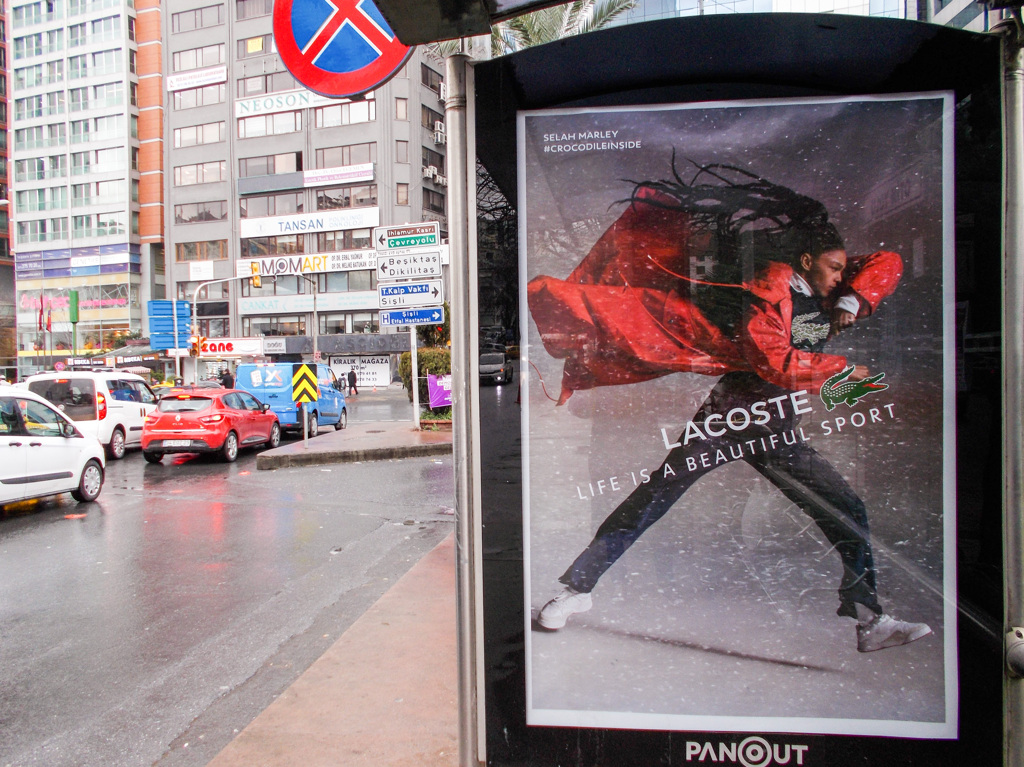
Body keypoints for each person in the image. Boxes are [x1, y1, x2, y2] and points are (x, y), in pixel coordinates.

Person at [529, 164, 931, 653]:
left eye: (844, 270)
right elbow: (773, 361)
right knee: (654, 496)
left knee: (845, 508)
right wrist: (841, 371)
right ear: (805, 260)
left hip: (777, 424)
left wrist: (852, 299)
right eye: (834, 268)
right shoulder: (766, 289)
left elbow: (886, 262)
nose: (841, 276)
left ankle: (871, 620)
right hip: (731, 418)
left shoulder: (828, 288)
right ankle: (574, 592)